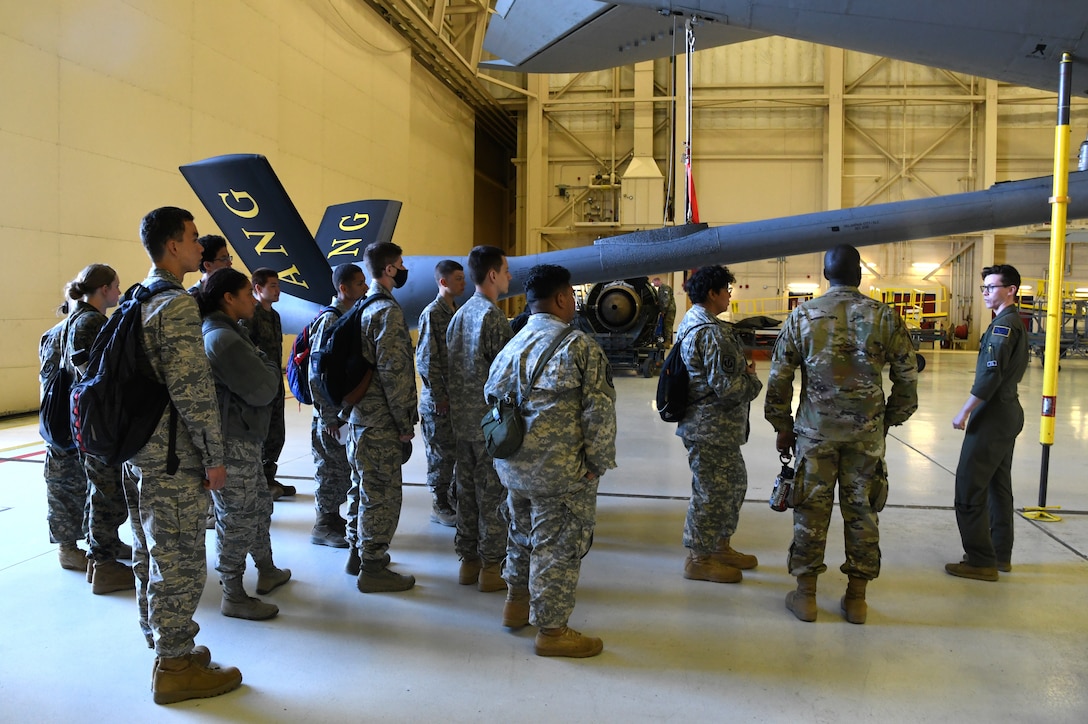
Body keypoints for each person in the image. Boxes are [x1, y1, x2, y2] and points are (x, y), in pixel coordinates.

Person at [764, 244, 917, 625]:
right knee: (862, 511)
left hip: (815, 434)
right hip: (865, 435)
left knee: (811, 513)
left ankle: (806, 596)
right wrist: (888, 419)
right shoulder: (884, 317)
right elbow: (907, 378)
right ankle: (856, 599)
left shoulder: (803, 316)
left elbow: (779, 377)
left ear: (825, 273)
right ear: (859, 274)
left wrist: (782, 425)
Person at [126, 206, 241, 704]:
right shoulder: (175, 305)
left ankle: (165, 645)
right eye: (194, 239)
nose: (201, 247)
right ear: (173, 246)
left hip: (142, 452)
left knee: (153, 551)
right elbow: (193, 391)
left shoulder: (140, 296)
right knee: (181, 561)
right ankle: (174, 666)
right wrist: (214, 457)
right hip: (172, 458)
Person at [485, 264, 616, 658]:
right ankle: (553, 630)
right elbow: (599, 413)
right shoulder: (580, 346)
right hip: (559, 472)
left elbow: (492, 402)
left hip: (513, 466)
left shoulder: (512, 342)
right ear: (562, 298)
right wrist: (598, 462)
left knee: (520, 535)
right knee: (556, 545)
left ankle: (516, 604)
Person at [197, 268, 291, 620]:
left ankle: (266, 568)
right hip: (232, 442)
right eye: (246, 293)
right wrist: (267, 363)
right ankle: (233, 593)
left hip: (243, 438)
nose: (253, 299)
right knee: (236, 518)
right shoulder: (222, 338)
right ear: (228, 298)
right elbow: (266, 387)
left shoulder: (230, 332)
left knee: (258, 507)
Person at [674, 266, 763, 585]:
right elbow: (729, 389)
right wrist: (752, 381)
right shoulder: (712, 332)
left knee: (733, 484)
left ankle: (718, 545)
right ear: (712, 293)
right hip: (709, 427)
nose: (729, 295)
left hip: (711, 427)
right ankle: (699, 557)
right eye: (726, 289)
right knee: (711, 492)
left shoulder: (690, 322)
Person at [945, 264, 1029, 582]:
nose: (986, 293)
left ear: (1011, 290)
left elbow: (990, 377)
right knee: (998, 486)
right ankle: (999, 553)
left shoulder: (1002, 328)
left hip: (993, 417)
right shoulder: (1011, 323)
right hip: (1007, 413)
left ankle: (981, 560)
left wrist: (964, 411)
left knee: (969, 486)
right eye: (984, 288)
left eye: (992, 287)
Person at [345, 242, 418, 593]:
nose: (403, 270)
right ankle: (373, 568)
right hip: (380, 423)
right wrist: (406, 425)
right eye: (400, 264)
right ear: (389, 269)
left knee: (363, 489)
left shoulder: (361, 306)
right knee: (382, 495)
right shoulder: (386, 312)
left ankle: (358, 554)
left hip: (361, 420)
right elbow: (396, 374)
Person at [63, 264, 135, 594]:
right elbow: (96, 375)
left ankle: (103, 549)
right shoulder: (91, 322)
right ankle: (104, 564)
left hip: (87, 419)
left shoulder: (75, 319)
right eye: (116, 287)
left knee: (100, 489)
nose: (119, 293)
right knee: (108, 493)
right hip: (98, 422)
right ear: (103, 289)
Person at [446, 245, 513, 592]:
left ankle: (468, 563)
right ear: (492, 275)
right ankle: (490, 567)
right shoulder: (493, 317)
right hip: (490, 427)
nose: (509, 277)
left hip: (462, 424)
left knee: (467, 495)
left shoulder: (458, 315)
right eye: (505, 270)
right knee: (492, 497)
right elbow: (504, 377)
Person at [310, 263, 368, 551]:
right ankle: (324, 524)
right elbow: (316, 373)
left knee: (340, 469)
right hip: (330, 415)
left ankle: (333, 519)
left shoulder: (349, 316)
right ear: (343, 288)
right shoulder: (330, 320)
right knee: (329, 469)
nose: (366, 288)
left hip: (341, 411)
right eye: (359, 284)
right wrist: (330, 417)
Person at [416, 260, 466, 527]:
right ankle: (440, 505)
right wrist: (438, 397)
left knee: (454, 453)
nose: (463, 282)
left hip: (454, 399)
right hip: (439, 402)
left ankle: (452, 498)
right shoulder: (433, 313)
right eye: (458, 278)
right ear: (443, 282)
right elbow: (426, 359)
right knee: (440, 455)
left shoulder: (454, 310)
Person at [239, 268, 294, 501]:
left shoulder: (275, 316)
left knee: (276, 434)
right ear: (258, 288)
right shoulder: (250, 317)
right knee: (260, 434)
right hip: (259, 386)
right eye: (272, 285)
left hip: (275, 385)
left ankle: (269, 477)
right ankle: (258, 482)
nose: (277, 289)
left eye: (278, 285)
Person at [652, 276, 677, 345]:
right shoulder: (660, 289)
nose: (654, 285)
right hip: (666, 310)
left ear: (657, 281)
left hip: (669, 310)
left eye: (654, 283)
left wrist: (664, 310)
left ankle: (668, 342)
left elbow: (666, 300)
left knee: (667, 325)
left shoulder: (665, 288)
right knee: (664, 325)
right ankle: (665, 341)